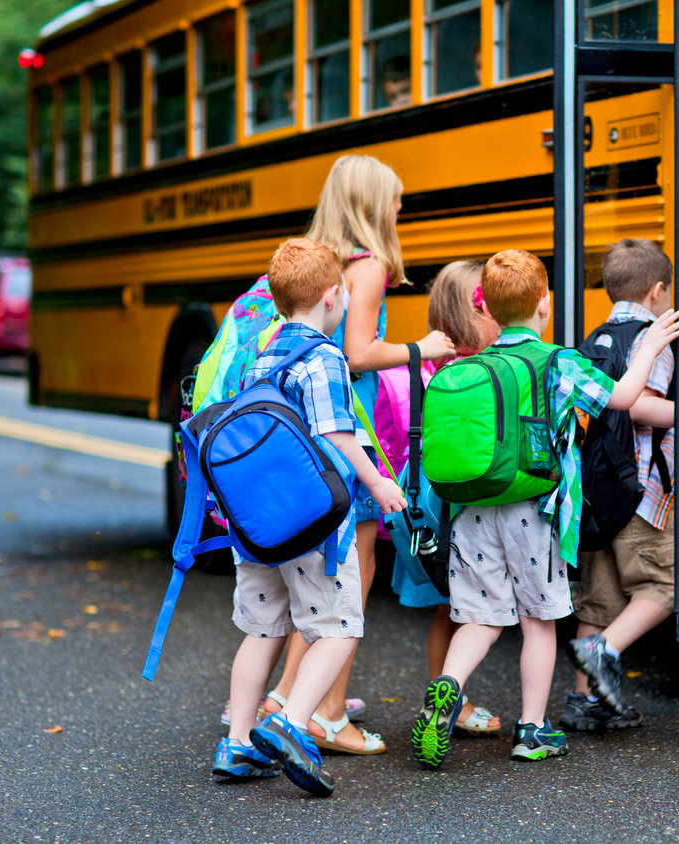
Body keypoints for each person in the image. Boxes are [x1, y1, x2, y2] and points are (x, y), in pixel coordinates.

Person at [409, 248, 679, 766]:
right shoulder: (558, 362)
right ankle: (532, 730)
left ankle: (447, 686)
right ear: (546, 304)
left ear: (487, 310)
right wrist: (647, 348)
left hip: (472, 511)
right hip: (532, 513)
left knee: (481, 620)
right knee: (538, 621)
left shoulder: (476, 363)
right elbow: (624, 397)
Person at [258, 154, 454, 754]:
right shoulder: (365, 267)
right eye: (394, 199)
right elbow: (359, 353)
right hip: (353, 425)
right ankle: (327, 714)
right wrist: (420, 347)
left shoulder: (317, 259)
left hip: (303, 434)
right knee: (352, 575)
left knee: (320, 579)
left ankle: (286, 697)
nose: (399, 209)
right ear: (373, 205)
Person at [212, 238, 406, 796]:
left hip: (257, 524)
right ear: (331, 296)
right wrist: (380, 483)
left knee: (262, 630)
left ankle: (240, 742)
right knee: (342, 626)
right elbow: (337, 433)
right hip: (314, 526)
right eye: (344, 291)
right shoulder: (324, 357)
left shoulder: (264, 353)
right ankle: (292, 722)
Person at [562, 238, 679, 732]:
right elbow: (642, 404)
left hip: (597, 494)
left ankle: (586, 702)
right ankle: (601, 652)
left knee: (600, 602)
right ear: (658, 290)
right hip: (641, 495)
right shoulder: (656, 335)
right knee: (666, 584)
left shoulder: (597, 338)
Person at [383, 260, 502, 733]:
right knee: (467, 607)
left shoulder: (434, 367)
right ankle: (455, 701)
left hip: (430, 497)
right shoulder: (474, 372)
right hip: (460, 502)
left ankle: (443, 697)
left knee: (445, 607)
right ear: (475, 313)